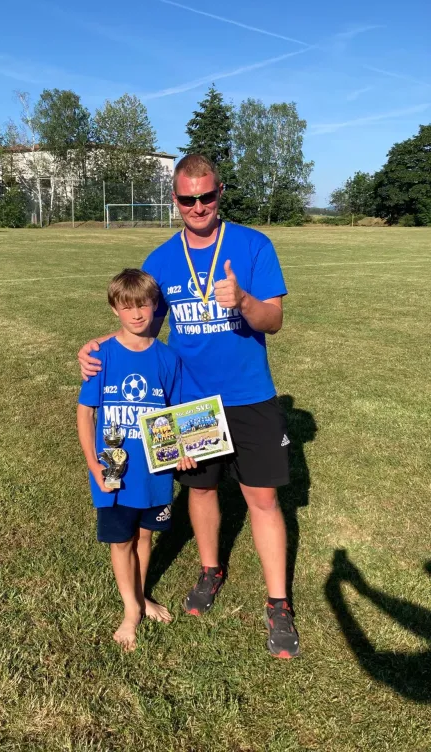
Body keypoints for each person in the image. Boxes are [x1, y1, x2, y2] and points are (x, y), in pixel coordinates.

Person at [79, 155, 300, 659]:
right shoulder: (160, 260)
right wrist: (96, 347)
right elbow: (141, 330)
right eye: (187, 198)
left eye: (207, 196)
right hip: (188, 402)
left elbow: (275, 320)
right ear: (174, 199)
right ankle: (210, 570)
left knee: (261, 499)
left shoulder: (253, 245)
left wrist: (244, 301)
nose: (198, 206)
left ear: (220, 192)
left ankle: (278, 603)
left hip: (249, 396)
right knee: (199, 491)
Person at [77, 268, 195, 651]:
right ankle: (131, 610)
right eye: (127, 307)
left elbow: (175, 413)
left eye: (144, 304)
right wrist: (94, 465)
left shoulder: (167, 359)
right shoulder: (101, 356)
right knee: (121, 541)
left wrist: (181, 452)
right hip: (113, 473)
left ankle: (141, 595)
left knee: (144, 536)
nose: (137, 314)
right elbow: (85, 413)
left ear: (155, 305)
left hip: (153, 473)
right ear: (115, 309)